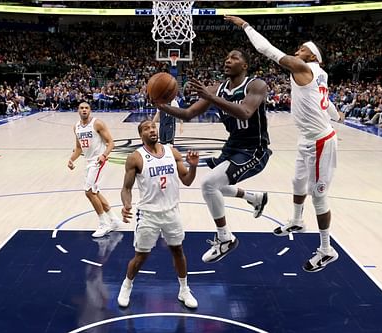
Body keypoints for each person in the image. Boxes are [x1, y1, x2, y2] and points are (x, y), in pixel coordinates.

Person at [225, 15, 343, 272]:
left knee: (319, 196)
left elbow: (266, 49)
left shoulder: (304, 68)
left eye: (302, 49)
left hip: (321, 141)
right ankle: (297, 221)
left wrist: (245, 25)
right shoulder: (319, 74)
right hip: (307, 137)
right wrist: (336, 115)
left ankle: (326, 249)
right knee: (297, 182)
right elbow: (326, 100)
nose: (296, 51)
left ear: (312, 57)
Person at [155, 49, 270, 264]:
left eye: (234, 58)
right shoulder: (218, 89)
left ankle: (225, 238)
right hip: (232, 146)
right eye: (226, 57)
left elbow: (245, 112)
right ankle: (254, 198)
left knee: (209, 184)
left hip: (254, 148)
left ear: (244, 66)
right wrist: (162, 106)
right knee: (213, 185)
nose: (227, 60)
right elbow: (189, 113)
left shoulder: (256, 85)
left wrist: (211, 97)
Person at [117, 120, 199, 309]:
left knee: (178, 250)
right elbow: (126, 188)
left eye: (153, 127)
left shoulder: (172, 152)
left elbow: (186, 180)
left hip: (171, 212)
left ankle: (184, 290)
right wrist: (126, 204)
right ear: (141, 135)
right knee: (140, 256)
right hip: (148, 214)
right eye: (146, 128)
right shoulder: (135, 158)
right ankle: (126, 285)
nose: (152, 130)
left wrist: (193, 166)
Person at [68, 102, 120, 238]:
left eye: (86, 108)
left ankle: (104, 224)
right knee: (95, 192)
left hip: (98, 161)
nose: (84, 110)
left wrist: (104, 155)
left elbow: (111, 142)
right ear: (78, 110)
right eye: (81, 108)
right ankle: (113, 219)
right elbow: (79, 148)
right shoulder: (76, 127)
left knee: (89, 192)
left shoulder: (97, 123)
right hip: (88, 162)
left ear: (90, 110)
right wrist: (71, 159)